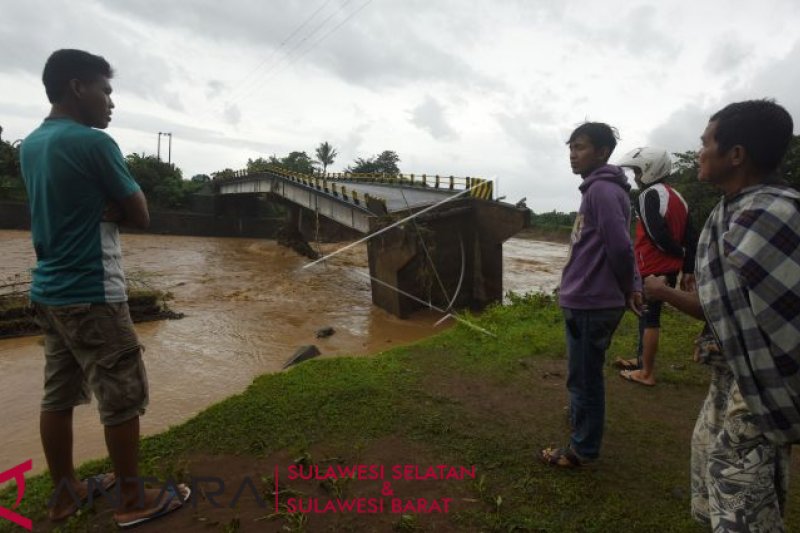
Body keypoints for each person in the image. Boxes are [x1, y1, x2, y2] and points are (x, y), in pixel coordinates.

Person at [19, 49, 190, 527]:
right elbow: (140, 213)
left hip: (48, 291)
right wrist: (116, 206)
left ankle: (63, 494)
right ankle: (135, 501)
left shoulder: (30, 145)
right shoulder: (94, 143)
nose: (111, 102)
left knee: (58, 394)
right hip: (93, 291)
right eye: (106, 90)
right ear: (77, 87)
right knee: (120, 395)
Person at [644, 99, 799, 530]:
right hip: (735, 370)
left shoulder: (770, 215)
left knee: (739, 479)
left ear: (736, 155)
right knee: (711, 453)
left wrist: (661, 290)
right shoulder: (732, 209)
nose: (698, 152)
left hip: (765, 379)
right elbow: (730, 307)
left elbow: (729, 309)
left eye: (705, 142)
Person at [540, 122, 642, 468]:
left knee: (585, 378)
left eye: (580, 147)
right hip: (586, 298)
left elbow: (621, 247)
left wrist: (630, 287)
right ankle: (580, 421)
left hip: (591, 301)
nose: (573, 154)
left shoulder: (602, 191)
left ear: (602, 152)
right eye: (571, 147)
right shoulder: (598, 190)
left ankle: (581, 449)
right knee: (581, 374)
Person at [613, 147, 698, 386]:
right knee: (646, 315)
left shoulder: (647, 196)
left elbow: (656, 233)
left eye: (638, 171)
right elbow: (691, 237)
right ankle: (641, 360)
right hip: (668, 268)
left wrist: (678, 252)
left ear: (650, 170)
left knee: (650, 318)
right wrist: (687, 266)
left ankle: (647, 372)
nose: (636, 177)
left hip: (653, 267)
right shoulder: (678, 196)